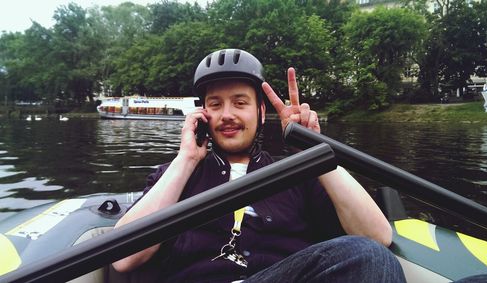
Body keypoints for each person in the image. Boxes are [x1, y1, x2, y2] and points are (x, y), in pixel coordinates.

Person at [112, 49, 405, 282]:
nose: (227, 114)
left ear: (261, 113)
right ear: (203, 115)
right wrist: (185, 159)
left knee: (370, 256)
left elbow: (377, 238)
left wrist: (315, 153)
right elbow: (124, 258)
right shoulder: (174, 176)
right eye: (215, 105)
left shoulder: (298, 175)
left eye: (240, 103)